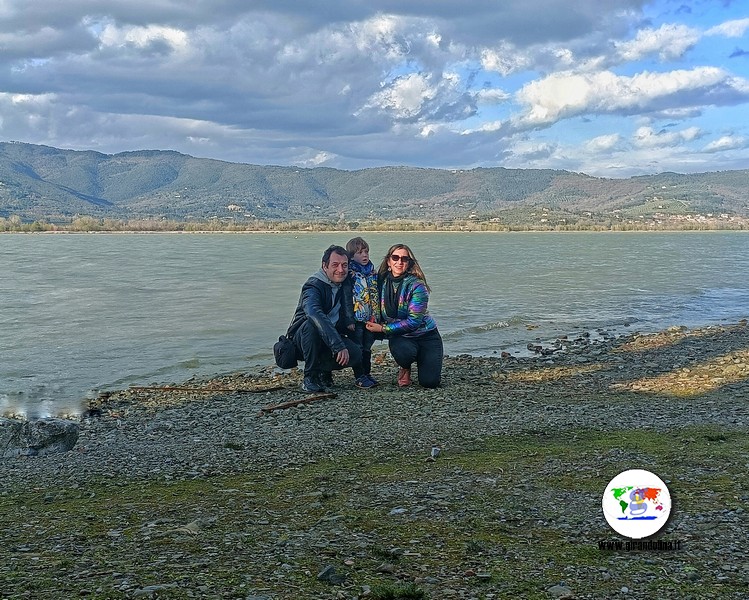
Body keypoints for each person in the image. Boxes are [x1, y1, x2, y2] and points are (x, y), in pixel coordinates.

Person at [366, 244, 443, 388]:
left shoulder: (418, 286)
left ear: (409, 263)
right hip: (401, 337)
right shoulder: (379, 282)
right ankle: (405, 365)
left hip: (426, 336)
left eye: (404, 259)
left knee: (430, 383)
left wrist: (382, 329)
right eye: (395, 257)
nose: (399, 262)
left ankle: (423, 359)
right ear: (388, 261)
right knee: (404, 353)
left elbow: (414, 322)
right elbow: (361, 279)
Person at [287, 245, 362, 392]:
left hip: (329, 336)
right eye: (335, 265)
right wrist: (338, 345)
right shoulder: (312, 286)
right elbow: (313, 312)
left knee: (355, 353)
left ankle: (324, 371)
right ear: (324, 266)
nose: (340, 270)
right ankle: (310, 377)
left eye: (344, 265)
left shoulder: (345, 284)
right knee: (312, 324)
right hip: (303, 338)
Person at [346, 236, 380, 389]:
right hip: (357, 319)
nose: (364, 255)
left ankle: (367, 373)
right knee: (358, 347)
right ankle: (359, 376)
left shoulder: (373, 273)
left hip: (371, 319)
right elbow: (346, 299)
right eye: (359, 252)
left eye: (366, 251)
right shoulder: (350, 275)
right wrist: (349, 320)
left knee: (367, 347)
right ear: (351, 256)